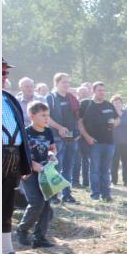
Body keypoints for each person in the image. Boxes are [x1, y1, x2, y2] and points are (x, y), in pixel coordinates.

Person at [1, 58, 32, 254]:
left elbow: (21, 131)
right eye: (1, 72)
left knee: (5, 207)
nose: (5, 77)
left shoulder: (8, 99)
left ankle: (7, 253)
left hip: (10, 159)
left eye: (5, 72)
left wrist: (23, 163)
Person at [16, 101, 57, 248]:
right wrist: (34, 165)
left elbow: (52, 148)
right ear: (32, 116)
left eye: (48, 115)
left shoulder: (48, 131)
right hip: (28, 173)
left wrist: (52, 155)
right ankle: (22, 230)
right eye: (43, 115)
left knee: (46, 204)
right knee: (36, 202)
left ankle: (39, 237)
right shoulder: (25, 133)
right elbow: (21, 154)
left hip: (45, 173)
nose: (46, 118)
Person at [79, 82, 119, 201]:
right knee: (95, 169)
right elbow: (79, 123)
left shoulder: (109, 105)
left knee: (106, 170)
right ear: (93, 91)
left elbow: (117, 118)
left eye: (103, 90)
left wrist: (115, 123)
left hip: (109, 142)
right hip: (94, 142)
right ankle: (95, 195)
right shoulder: (85, 104)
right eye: (99, 90)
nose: (102, 92)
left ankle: (106, 195)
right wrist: (87, 137)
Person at [45, 72, 80, 204]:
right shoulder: (51, 98)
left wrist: (77, 133)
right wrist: (59, 128)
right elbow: (46, 118)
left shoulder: (71, 98)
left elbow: (77, 117)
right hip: (56, 136)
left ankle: (67, 194)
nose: (67, 85)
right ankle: (54, 195)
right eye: (63, 82)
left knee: (68, 167)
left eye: (68, 82)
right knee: (56, 167)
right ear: (56, 83)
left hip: (71, 137)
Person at [110, 95, 127, 187]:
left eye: (119, 103)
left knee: (126, 162)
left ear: (122, 104)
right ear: (112, 104)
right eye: (115, 103)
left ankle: (126, 181)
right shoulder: (110, 114)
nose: (118, 104)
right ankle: (113, 180)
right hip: (114, 142)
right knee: (115, 161)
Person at [72, 84, 92, 188]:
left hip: (87, 136)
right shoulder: (74, 104)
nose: (84, 94)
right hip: (76, 136)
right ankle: (75, 181)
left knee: (86, 159)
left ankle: (86, 181)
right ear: (78, 93)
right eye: (82, 92)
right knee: (76, 160)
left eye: (85, 92)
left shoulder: (91, 104)